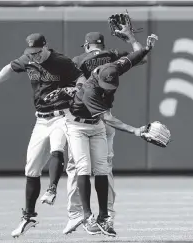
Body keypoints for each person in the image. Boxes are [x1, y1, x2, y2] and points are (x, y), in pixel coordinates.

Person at [0, 33, 86, 238]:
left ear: (45, 47)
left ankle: (52, 189)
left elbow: (82, 80)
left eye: (38, 52)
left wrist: (71, 89)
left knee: (57, 147)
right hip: (41, 119)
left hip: (61, 115)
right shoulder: (28, 60)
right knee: (31, 167)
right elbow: (10, 67)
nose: (35, 57)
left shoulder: (61, 61)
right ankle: (28, 216)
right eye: (31, 53)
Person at [63, 26, 158, 236]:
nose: (111, 87)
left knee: (89, 168)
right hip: (87, 117)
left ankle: (88, 215)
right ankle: (87, 215)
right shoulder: (107, 65)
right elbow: (107, 117)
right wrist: (132, 38)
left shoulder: (104, 64)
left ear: (87, 45)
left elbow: (137, 56)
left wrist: (148, 47)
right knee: (89, 166)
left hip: (95, 121)